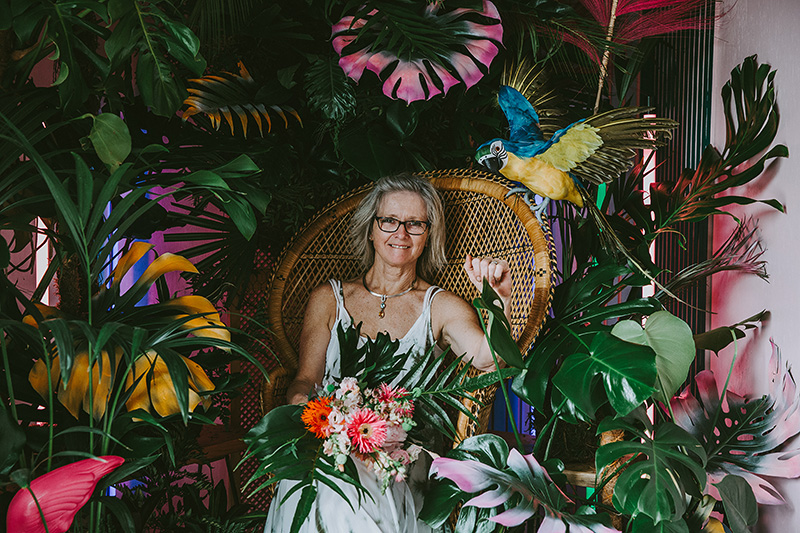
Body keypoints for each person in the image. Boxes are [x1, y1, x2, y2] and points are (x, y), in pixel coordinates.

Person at [265, 173, 513, 532]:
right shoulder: (329, 298)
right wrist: (311, 412)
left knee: (346, 491)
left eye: (415, 224)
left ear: (429, 235)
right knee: (309, 480)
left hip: (404, 452)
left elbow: (488, 358)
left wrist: (500, 299)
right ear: (371, 228)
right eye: (389, 221)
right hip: (331, 441)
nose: (401, 233)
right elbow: (306, 378)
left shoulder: (440, 306)